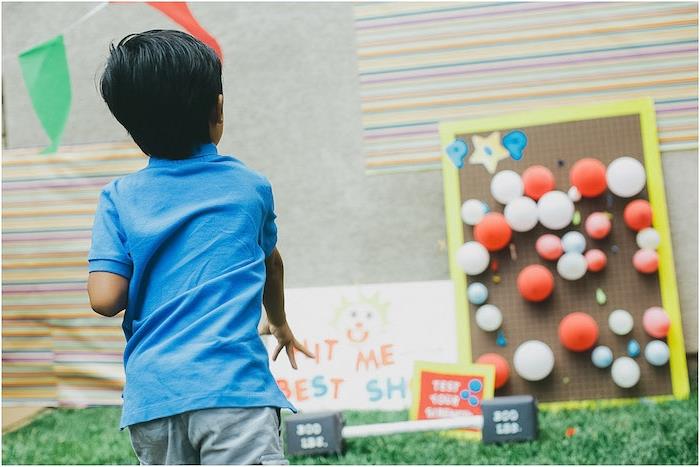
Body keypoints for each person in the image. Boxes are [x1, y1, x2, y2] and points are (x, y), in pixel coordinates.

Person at [87, 29, 313, 465]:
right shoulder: (250, 188)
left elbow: (104, 298)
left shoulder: (118, 197)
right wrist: (280, 324)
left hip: (153, 397)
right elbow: (272, 265)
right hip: (233, 389)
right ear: (218, 107)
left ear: (131, 126)